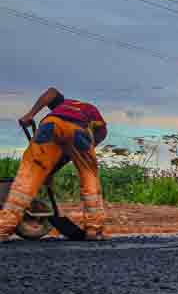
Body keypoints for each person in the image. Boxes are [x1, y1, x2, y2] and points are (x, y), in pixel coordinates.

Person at [0, 87, 108, 241]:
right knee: (89, 175)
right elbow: (76, 152)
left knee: (28, 178)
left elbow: (50, 92)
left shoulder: (62, 106)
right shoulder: (95, 119)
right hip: (79, 128)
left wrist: (30, 115)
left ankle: (3, 229)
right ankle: (94, 230)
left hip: (50, 125)